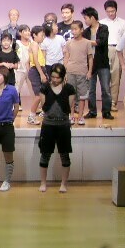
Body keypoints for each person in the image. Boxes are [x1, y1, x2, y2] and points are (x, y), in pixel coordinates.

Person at [37, 63, 76, 193]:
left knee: (65, 155)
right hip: (48, 125)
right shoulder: (44, 87)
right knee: (45, 155)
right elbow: (45, 107)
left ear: (63, 77)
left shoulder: (69, 88)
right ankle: (43, 183)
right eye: (52, 77)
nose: (54, 80)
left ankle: (63, 184)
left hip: (63, 125)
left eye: (57, 77)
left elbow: (67, 108)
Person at [82, 6, 114, 120]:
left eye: (86, 18)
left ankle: (106, 112)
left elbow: (101, 42)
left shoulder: (103, 28)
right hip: (90, 65)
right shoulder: (86, 31)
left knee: (106, 89)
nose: (85, 21)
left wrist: (86, 42)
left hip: (103, 63)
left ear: (92, 17)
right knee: (91, 90)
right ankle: (92, 111)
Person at [100, 0, 125, 111]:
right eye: (108, 11)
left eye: (112, 11)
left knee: (116, 77)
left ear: (116, 10)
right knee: (105, 77)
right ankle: (106, 102)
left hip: (118, 50)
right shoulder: (101, 23)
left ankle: (113, 103)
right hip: (105, 50)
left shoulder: (123, 23)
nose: (110, 13)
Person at [63, 20, 92, 126]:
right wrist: (65, 72)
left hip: (82, 72)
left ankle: (80, 116)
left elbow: (90, 58)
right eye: (72, 29)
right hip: (70, 71)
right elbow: (66, 58)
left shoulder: (87, 43)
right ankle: (71, 116)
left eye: (76, 29)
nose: (74, 31)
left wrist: (89, 71)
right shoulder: (69, 43)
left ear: (81, 30)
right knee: (71, 95)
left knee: (82, 96)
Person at [27, 25, 47, 125]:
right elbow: (35, 59)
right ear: (34, 35)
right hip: (37, 70)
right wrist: (41, 74)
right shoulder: (34, 44)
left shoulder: (36, 45)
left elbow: (27, 61)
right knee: (38, 96)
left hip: (37, 69)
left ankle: (44, 111)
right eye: (41, 35)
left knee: (43, 94)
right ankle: (31, 116)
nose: (43, 37)